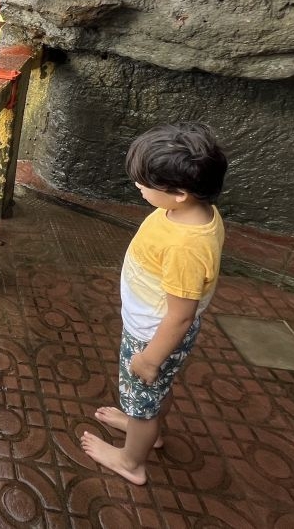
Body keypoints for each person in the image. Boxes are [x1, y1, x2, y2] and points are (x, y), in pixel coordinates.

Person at [80, 122, 228, 485]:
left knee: (144, 396)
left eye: (145, 184)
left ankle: (132, 460)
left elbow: (180, 315)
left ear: (179, 193)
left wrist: (150, 357)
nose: (138, 187)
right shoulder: (194, 212)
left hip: (153, 336)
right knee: (154, 392)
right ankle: (145, 427)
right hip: (154, 331)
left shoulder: (184, 246)